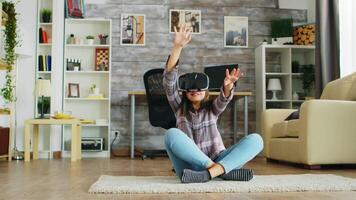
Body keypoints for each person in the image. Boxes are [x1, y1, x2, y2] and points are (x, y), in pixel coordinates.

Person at [163, 24, 264, 184]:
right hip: (190, 167)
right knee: (170, 134)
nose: (195, 89)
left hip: (217, 158)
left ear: (207, 90)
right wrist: (177, 47)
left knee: (257, 139)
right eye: (190, 87)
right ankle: (219, 171)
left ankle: (209, 174)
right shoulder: (178, 107)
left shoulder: (212, 109)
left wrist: (229, 85)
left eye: (199, 87)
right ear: (184, 91)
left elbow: (224, 97)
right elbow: (169, 82)